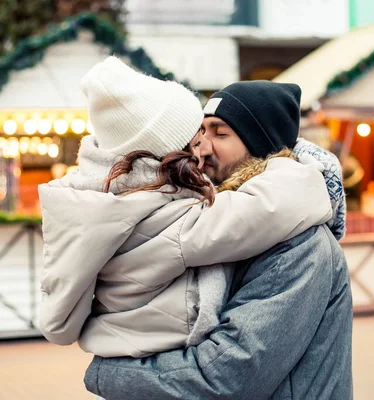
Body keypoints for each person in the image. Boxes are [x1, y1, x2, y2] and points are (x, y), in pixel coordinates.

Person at [38, 57, 334, 358]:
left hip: (125, 352)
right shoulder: (172, 215)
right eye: (196, 141)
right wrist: (306, 163)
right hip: (160, 362)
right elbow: (272, 205)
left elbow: (59, 321)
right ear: (168, 154)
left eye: (218, 134)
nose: (203, 150)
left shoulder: (102, 199)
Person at [84, 81, 354, 399]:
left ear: (261, 143)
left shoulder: (298, 244)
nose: (204, 147)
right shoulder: (226, 226)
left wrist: (107, 373)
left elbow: (228, 377)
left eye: (220, 133)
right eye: (202, 132)